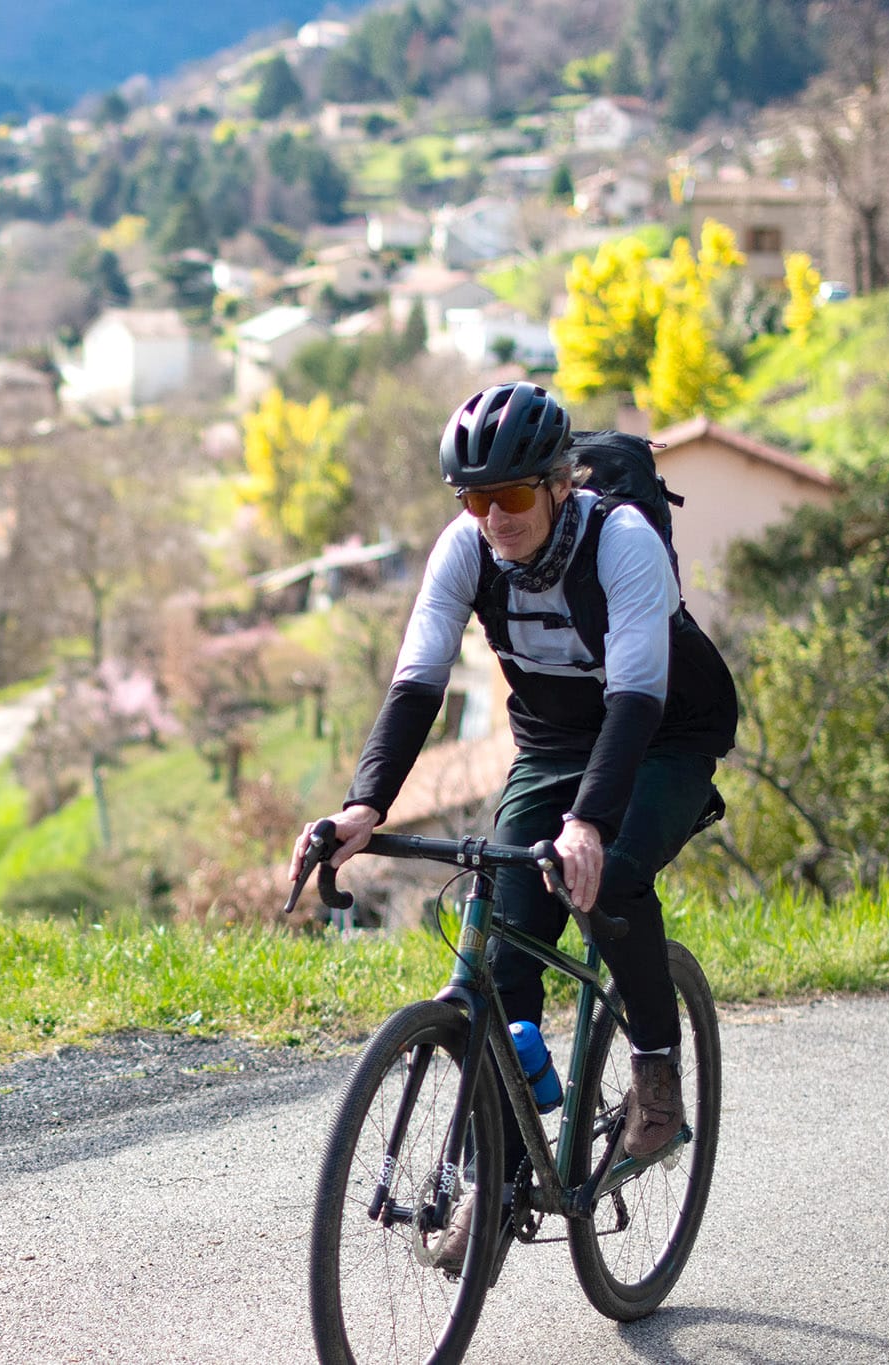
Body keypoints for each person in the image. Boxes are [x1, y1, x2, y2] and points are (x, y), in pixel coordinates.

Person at [286, 381, 737, 1267]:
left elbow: (639, 696)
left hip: (662, 734)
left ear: (559, 482)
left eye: (513, 496)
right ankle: (499, 1174)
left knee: (607, 876)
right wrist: (363, 806)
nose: (494, 517)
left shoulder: (623, 543)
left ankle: (655, 1070)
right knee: (504, 950)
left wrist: (590, 827)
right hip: (553, 740)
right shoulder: (466, 549)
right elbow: (416, 683)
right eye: (476, 498)